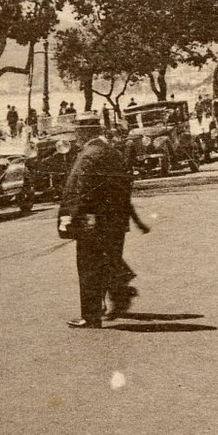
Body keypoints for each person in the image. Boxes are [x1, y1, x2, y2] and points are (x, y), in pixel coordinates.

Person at [57, 122, 149, 328]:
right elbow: (124, 188)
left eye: (77, 133)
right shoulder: (114, 153)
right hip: (115, 220)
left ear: (82, 133)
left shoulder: (88, 155)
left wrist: (72, 216)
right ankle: (118, 293)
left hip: (94, 221)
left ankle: (91, 316)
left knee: (89, 267)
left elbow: (83, 190)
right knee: (108, 260)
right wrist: (134, 219)